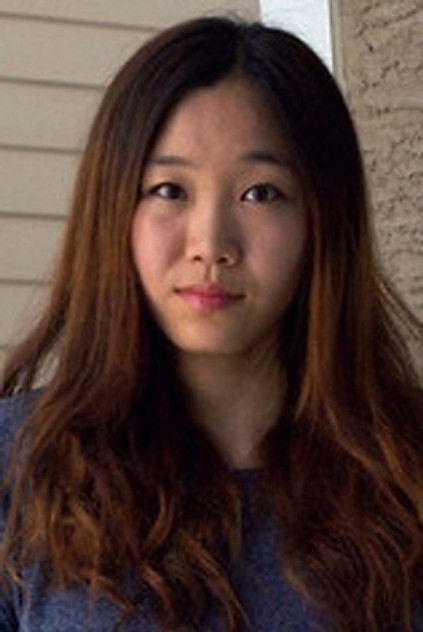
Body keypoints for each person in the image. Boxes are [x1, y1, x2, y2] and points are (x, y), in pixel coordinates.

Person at [0, 15, 422, 632]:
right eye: (169, 190)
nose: (211, 244)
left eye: (260, 193)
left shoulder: (407, 472)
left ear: (324, 221)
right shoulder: (20, 467)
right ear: (112, 210)